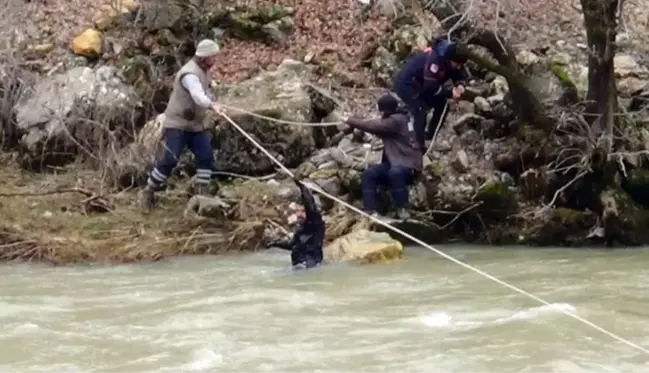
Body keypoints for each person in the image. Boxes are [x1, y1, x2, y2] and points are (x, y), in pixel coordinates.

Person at [140, 39, 225, 212]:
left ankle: (202, 195)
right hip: (177, 123)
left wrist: (215, 94)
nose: (215, 60)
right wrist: (212, 105)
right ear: (205, 57)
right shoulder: (190, 74)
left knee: (206, 155)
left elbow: (206, 89)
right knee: (170, 159)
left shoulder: (204, 70)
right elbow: (197, 95)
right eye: (213, 57)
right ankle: (148, 191)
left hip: (195, 124)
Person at [343, 94, 422, 220]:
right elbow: (377, 126)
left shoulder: (397, 120)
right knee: (369, 173)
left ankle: (402, 208)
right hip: (394, 162)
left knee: (395, 172)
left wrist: (350, 120)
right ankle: (370, 210)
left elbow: (374, 125)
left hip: (408, 165)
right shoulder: (398, 118)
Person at [393, 38, 468, 151]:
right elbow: (430, 87)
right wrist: (449, 92)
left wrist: (460, 85)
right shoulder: (434, 61)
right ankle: (419, 147)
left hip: (425, 85)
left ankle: (430, 135)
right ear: (449, 59)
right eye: (456, 64)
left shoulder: (453, 60)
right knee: (420, 110)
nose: (458, 66)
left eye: (460, 64)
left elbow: (460, 74)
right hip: (409, 85)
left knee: (443, 105)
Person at [268, 178, 325, 269]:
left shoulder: (315, 223)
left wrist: (302, 188)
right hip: (299, 266)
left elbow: (310, 206)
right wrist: (275, 243)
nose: (299, 214)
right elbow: (293, 245)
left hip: (309, 266)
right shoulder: (301, 230)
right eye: (297, 211)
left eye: (302, 211)